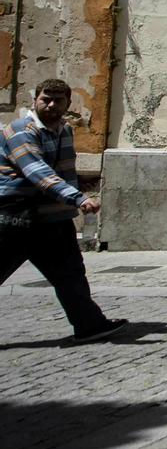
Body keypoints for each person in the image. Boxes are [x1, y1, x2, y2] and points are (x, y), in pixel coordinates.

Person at [1, 79, 126, 343]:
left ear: (68, 104)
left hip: (52, 218)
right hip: (15, 216)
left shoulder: (64, 131)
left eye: (58, 100)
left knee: (71, 274)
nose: (51, 105)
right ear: (35, 100)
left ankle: (90, 326)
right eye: (46, 99)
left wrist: (69, 204)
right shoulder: (20, 130)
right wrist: (77, 199)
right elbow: (37, 172)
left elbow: (65, 172)